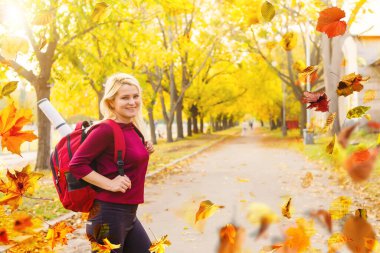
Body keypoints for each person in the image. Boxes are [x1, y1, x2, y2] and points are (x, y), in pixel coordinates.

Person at [69, 73, 154, 253]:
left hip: (128, 214)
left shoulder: (132, 128)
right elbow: (76, 165)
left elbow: (122, 162)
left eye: (135, 96)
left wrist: (144, 151)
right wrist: (110, 184)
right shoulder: (105, 129)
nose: (132, 102)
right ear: (110, 103)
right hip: (107, 216)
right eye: (125, 98)